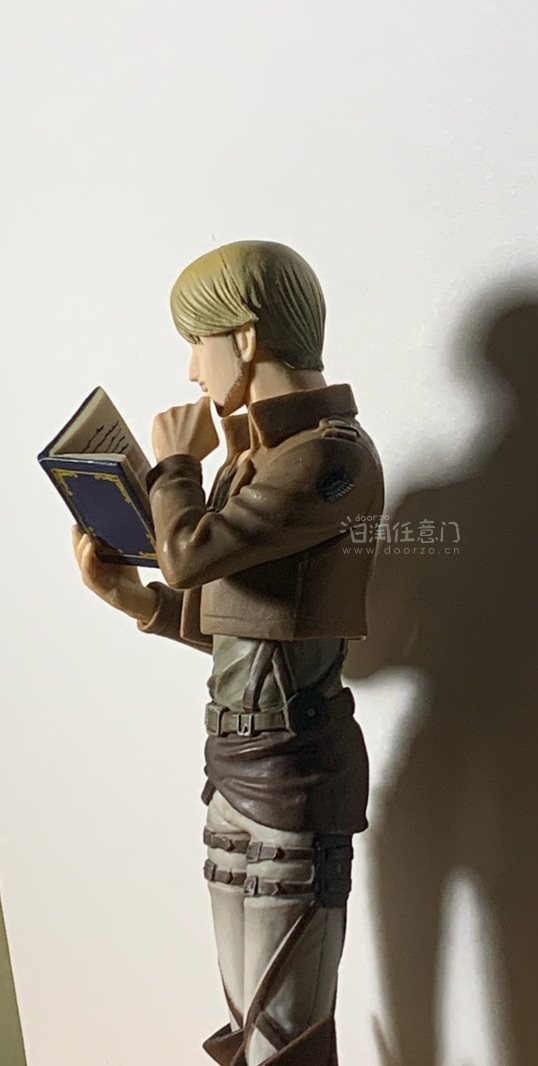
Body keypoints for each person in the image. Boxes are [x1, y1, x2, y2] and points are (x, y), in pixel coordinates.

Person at [72, 240, 384, 1066]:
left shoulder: (330, 458)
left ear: (245, 338)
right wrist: (134, 600)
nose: (190, 369)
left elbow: (187, 556)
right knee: (247, 1024)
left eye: (197, 343)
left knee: (285, 1034)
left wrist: (175, 465)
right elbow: (238, 620)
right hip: (235, 765)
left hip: (295, 772)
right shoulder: (255, 461)